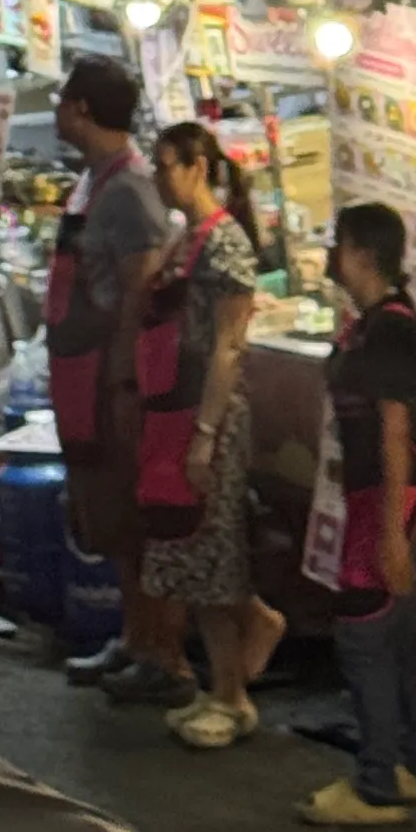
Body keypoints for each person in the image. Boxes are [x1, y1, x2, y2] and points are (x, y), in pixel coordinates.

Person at [302, 201, 416, 827]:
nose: (330, 255)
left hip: (398, 495)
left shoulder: (390, 328)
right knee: (405, 629)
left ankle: (377, 785)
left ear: (363, 253)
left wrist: (393, 531)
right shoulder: (372, 322)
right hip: (383, 493)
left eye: (337, 244)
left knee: (365, 629)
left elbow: (395, 429)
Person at [48, 56, 186, 705]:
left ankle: (165, 654)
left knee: (136, 518)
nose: (55, 111)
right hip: (83, 374)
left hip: (114, 376)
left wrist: (127, 382)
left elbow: (141, 292)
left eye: (60, 100)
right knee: (108, 516)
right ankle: (134, 641)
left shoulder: (129, 187)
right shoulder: (93, 181)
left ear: (79, 109)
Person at [143, 122, 283, 748]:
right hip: (176, 409)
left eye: (167, 164)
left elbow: (228, 346)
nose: (159, 176)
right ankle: (221, 684)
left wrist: (204, 434)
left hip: (211, 415)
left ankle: (232, 693)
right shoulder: (188, 238)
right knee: (189, 554)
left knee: (211, 553)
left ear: (198, 166)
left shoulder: (224, 244)